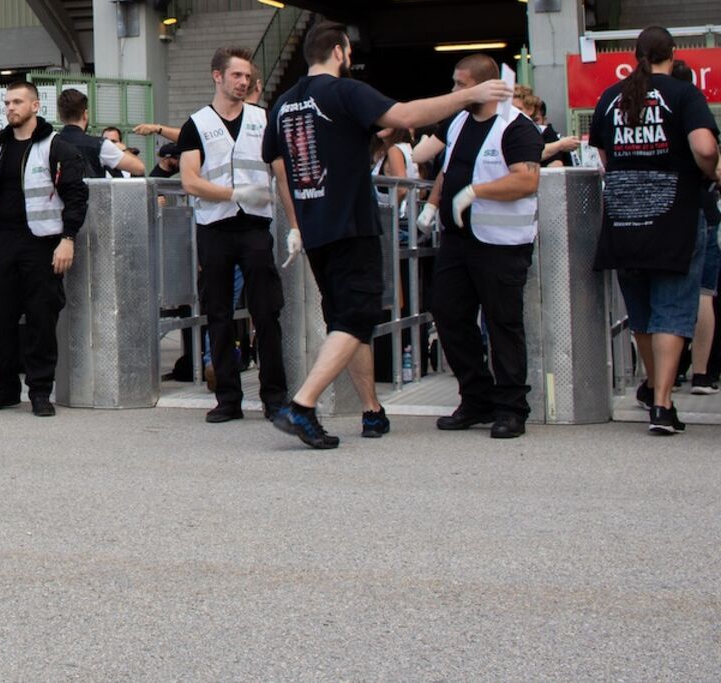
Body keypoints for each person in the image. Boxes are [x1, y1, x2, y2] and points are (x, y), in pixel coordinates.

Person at [265, 22, 512, 449]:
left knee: (346, 321)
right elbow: (406, 116)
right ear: (340, 52)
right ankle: (302, 406)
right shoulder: (345, 91)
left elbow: (279, 167)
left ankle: (372, 410)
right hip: (350, 224)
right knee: (357, 318)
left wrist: (296, 224)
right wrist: (468, 95)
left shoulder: (285, 104)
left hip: (316, 227)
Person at [589, 26, 719, 435]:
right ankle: (662, 403)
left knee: (642, 312)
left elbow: (604, 155)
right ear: (673, 54)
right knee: (674, 308)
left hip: (624, 215)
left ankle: (650, 386)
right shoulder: (683, 94)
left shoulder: (611, 97)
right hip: (674, 214)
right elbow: (703, 147)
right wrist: (710, 171)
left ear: (637, 54)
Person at [415, 54, 543, 439]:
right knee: (448, 313)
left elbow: (526, 181)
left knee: (502, 322)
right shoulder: (458, 122)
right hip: (458, 239)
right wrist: (433, 205)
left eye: (460, 84)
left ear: (484, 86)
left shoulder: (516, 128)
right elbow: (449, 169)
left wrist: (476, 192)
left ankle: (511, 407)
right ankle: (476, 397)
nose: (455, 90)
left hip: (501, 244)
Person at [0, 82, 90, 417]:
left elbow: (76, 196)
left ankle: (39, 391)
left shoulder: (55, 146)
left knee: (40, 317)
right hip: (1, 241)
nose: (10, 108)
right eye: (6, 102)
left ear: (35, 105)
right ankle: (5, 387)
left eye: (17, 102)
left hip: (42, 243)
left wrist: (68, 238)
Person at [177, 47, 287, 423]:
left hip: (255, 226)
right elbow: (189, 180)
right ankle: (228, 397)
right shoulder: (197, 124)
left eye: (247, 77)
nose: (244, 82)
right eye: (237, 75)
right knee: (218, 313)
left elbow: (280, 170)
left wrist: (297, 224)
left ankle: (275, 396)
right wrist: (233, 194)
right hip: (216, 228)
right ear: (217, 77)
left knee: (267, 312)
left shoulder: (263, 118)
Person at [56, 89, 144, 177]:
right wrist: (124, 150)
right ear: (85, 115)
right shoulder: (99, 145)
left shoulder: (49, 143)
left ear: (59, 116)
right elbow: (139, 168)